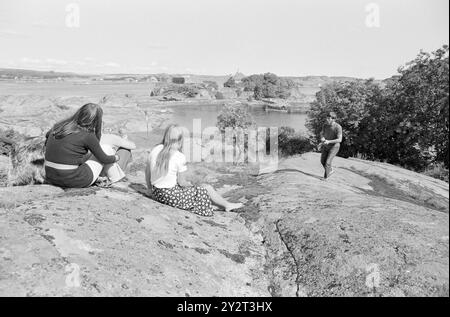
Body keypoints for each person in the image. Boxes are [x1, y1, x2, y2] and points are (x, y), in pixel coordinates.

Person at [145, 124, 243, 216]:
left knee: (198, 190)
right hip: (170, 196)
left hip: (157, 193)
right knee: (205, 188)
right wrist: (191, 185)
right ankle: (227, 205)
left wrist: (150, 189)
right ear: (180, 140)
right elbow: (181, 182)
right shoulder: (179, 156)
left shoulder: (156, 149)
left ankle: (219, 205)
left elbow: (147, 172)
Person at [44, 103, 133, 188]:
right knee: (107, 148)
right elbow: (104, 159)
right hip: (74, 180)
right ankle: (115, 179)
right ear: (97, 121)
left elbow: (47, 137)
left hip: (51, 177)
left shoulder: (59, 126)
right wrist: (116, 157)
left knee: (91, 155)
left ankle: (108, 178)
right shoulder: (87, 135)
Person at [320, 111, 342, 179]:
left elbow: (339, 140)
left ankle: (325, 177)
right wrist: (322, 138)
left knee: (327, 162)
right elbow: (321, 133)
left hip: (334, 147)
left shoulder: (338, 127)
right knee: (322, 161)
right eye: (327, 118)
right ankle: (330, 170)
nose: (327, 119)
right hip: (326, 146)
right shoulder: (325, 125)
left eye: (329, 118)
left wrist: (329, 141)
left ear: (333, 119)